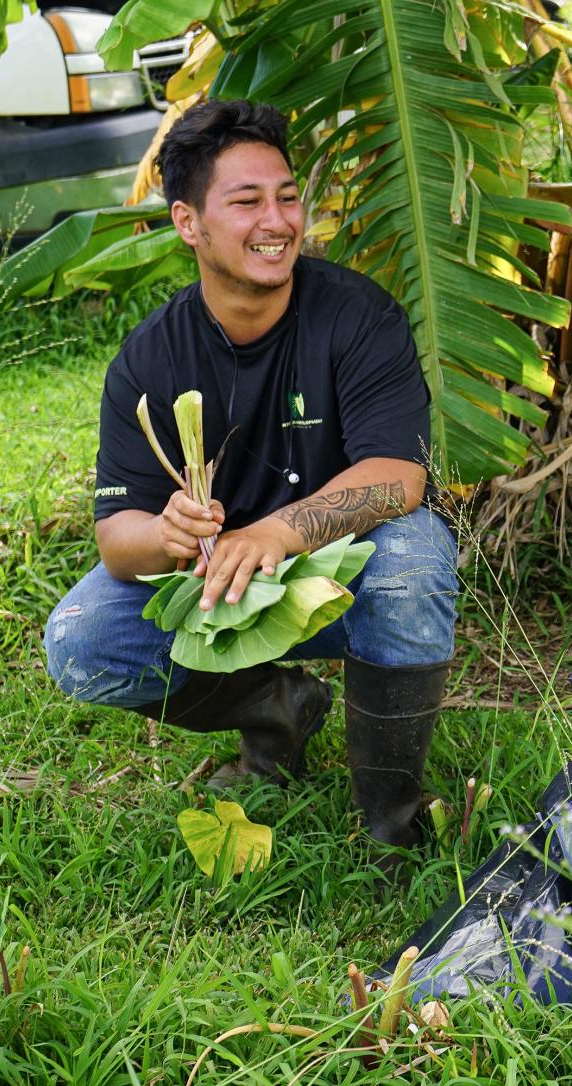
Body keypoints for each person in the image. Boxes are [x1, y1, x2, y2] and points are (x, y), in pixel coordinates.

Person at [44, 99, 458, 853]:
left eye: (287, 197)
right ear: (187, 223)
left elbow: (399, 479)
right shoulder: (150, 358)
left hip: (342, 569)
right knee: (81, 641)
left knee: (415, 558)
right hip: (221, 584)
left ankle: (391, 822)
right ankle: (278, 709)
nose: (277, 221)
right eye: (247, 202)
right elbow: (117, 540)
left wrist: (277, 530)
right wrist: (166, 532)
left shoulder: (358, 317)